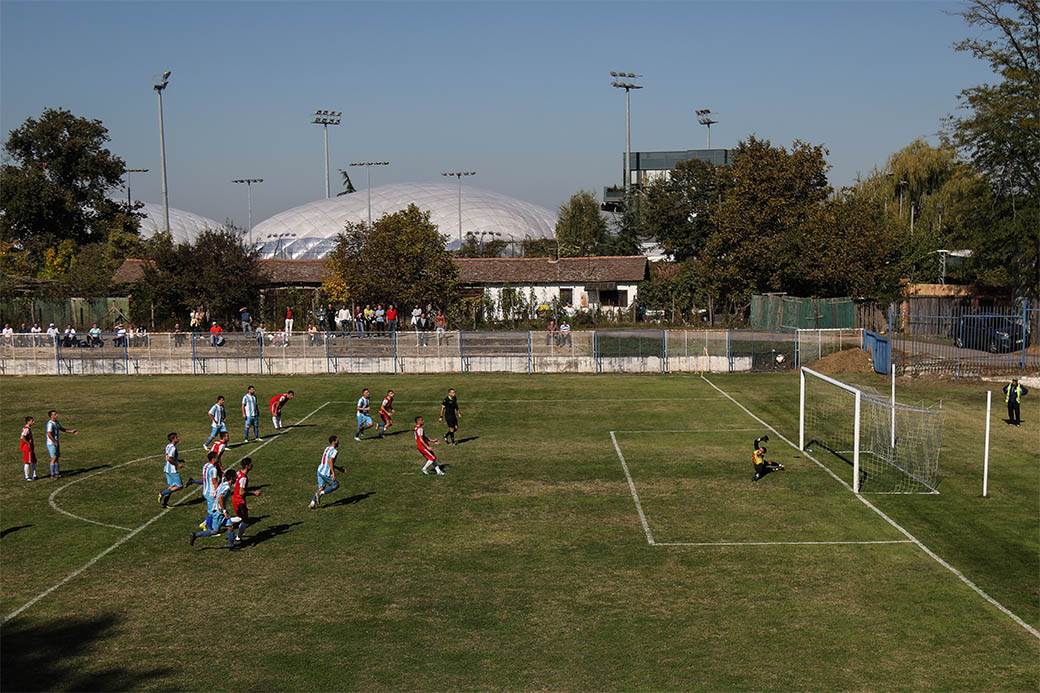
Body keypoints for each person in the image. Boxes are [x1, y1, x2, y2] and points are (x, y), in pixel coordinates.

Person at [190, 468, 240, 548]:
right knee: (214, 531)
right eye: (235, 477)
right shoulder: (227, 488)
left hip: (218, 510)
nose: (236, 479)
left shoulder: (223, 484)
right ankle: (195, 535)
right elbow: (220, 498)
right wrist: (224, 511)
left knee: (230, 526)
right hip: (219, 512)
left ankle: (231, 545)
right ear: (231, 478)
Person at [230, 457, 261, 546]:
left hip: (235, 499)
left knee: (240, 518)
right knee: (245, 520)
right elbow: (241, 492)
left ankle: (224, 522)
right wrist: (254, 493)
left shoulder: (238, 473)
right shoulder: (244, 478)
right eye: (251, 464)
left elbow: (233, 483)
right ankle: (238, 537)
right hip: (239, 501)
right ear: (247, 466)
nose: (252, 465)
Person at [310, 435, 341, 509]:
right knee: (336, 485)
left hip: (319, 470)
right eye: (337, 440)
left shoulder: (327, 448)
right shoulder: (335, 451)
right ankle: (321, 493)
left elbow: (328, 461)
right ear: (334, 442)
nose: (338, 441)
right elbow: (330, 461)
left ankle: (312, 503)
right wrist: (333, 473)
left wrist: (338, 468)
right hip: (325, 473)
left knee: (321, 487)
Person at [45, 409, 77, 479]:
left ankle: (57, 473)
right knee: (53, 458)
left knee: (56, 458)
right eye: (55, 414)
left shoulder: (56, 422)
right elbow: (49, 434)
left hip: (55, 442)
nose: (57, 415)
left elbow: (62, 429)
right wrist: (54, 441)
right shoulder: (50, 424)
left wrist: (71, 431)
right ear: (51, 416)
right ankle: (52, 475)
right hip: (51, 443)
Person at [159, 432, 186, 507]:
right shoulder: (173, 448)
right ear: (173, 439)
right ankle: (162, 493)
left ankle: (164, 503)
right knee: (179, 486)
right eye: (177, 437)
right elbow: (170, 459)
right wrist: (178, 464)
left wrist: (178, 460)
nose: (178, 438)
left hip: (167, 469)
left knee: (171, 487)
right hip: (172, 470)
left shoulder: (168, 446)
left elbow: (168, 456)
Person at [19, 416, 37, 481]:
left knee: (34, 461)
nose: (33, 422)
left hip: (30, 448)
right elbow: (22, 437)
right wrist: (28, 443)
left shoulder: (28, 428)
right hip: (27, 448)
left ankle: (34, 475)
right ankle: (27, 476)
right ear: (28, 421)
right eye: (32, 421)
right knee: (27, 462)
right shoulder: (26, 429)